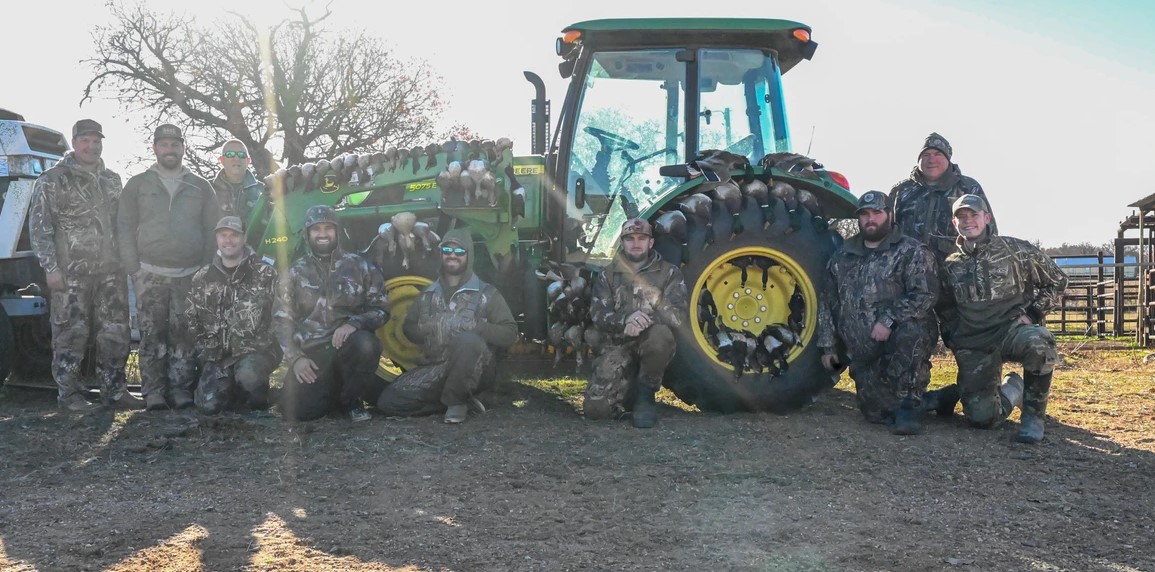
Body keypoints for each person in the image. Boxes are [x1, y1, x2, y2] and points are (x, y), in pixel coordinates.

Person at [27, 119, 141, 411]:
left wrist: (128, 261)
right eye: (85, 140)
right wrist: (51, 268)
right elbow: (40, 228)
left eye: (97, 141)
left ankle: (115, 392)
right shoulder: (53, 179)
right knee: (70, 334)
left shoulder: (113, 179)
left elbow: (125, 224)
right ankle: (69, 395)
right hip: (71, 273)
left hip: (111, 271)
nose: (92, 146)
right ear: (75, 142)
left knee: (115, 332)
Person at [937, 194, 1068, 443]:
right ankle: (1011, 389)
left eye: (974, 215)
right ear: (955, 224)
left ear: (987, 217)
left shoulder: (1016, 250)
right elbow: (945, 306)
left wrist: (1033, 314)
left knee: (1039, 342)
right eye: (961, 217)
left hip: (1012, 331)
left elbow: (1058, 281)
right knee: (982, 418)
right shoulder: (951, 264)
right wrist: (954, 336)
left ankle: (1033, 417)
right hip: (975, 342)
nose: (968, 221)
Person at [816, 191, 939, 434]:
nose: (870, 219)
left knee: (912, 331)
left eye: (877, 213)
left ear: (889, 215)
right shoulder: (842, 256)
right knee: (874, 411)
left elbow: (925, 295)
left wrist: (889, 320)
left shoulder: (911, 251)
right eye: (865, 214)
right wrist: (828, 347)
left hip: (899, 340)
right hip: (865, 352)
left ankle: (910, 404)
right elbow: (828, 303)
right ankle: (936, 400)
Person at [118, 123, 220, 410]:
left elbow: (213, 228)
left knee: (184, 335)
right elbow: (124, 226)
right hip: (149, 272)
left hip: (189, 275)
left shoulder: (200, 185)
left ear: (183, 148)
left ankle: (180, 390)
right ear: (155, 148)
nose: (170, 149)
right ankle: (153, 393)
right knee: (151, 336)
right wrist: (133, 267)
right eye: (164, 144)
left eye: (175, 144)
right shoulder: (138, 183)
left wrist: (204, 269)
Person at [376, 229, 518, 423]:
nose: (453, 255)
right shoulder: (427, 294)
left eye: (459, 251)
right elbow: (408, 328)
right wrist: (424, 329)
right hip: (437, 367)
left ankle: (457, 401)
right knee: (388, 403)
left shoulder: (487, 293)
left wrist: (479, 326)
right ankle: (455, 402)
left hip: (476, 370)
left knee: (468, 340)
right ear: (441, 254)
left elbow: (510, 333)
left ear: (469, 255)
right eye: (447, 250)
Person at [275, 205, 389, 422]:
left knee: (366, 344)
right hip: (314, 354)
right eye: (316, 229)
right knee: (300, 411)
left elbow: (382, 309)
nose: (323, 234)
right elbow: (281, 321)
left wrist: (354, 323)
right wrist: (296, 358)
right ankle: (334, 390)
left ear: (337, 231)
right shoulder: (294, 273)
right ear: (308, 234)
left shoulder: (360, 266)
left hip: (348, 348)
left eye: (328, 228)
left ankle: (352, 401)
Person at [585, 217, 688, 429]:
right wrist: (625, 320)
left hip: (650, 344)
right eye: (630, 238)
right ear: (622, 242)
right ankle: (628, 389)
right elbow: (598, 315)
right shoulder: (608, 274)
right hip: (617, 345)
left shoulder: (669, 273)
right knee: (596, 411)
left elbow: (679, 316)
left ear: (651, 242)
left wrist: (644, 322)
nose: (636, 243)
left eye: (642, 238)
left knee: (661, 335)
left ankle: (646, 396)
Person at [185, 216, 281, 414]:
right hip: (218, 356)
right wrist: (207, 352)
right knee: (209, 406)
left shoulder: (265, 274)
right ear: (217, 239)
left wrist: (259, 345)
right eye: (223, 235)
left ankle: (260, 395)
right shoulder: (202, 277)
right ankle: (232, 388)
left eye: (234, 235)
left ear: (244, 238)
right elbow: (191, 319)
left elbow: (279, 316)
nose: (228, 240)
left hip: (255, 353)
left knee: (249, 377)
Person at [889, 132, 997, 264]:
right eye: (926, 155)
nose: (931, 159)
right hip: (908, 269)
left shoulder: (968, 187)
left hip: (955, 271)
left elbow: (989, 231)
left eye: (937, 154)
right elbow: (886, 231)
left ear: (948, 158)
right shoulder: (901, 190)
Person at [211, 139, 264, 224]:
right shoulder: (207, 189)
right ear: (221, 160)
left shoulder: (264, 192)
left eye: (241, 155)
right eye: (230, 154)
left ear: (248, 161)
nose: (236, 158)